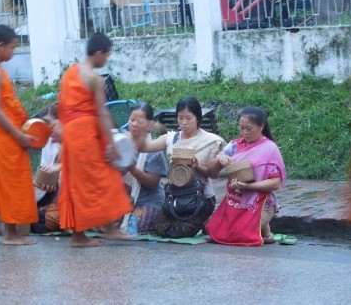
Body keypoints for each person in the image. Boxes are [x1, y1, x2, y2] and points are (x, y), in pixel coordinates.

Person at [58, 32, 133, 247]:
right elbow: (101, 112)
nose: (106, 60)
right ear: (99, 53)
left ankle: (84, 234)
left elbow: (63, 106)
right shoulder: (94, 79)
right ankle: (106, 230)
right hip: (86, 135)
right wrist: (111, 144)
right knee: (105, 177)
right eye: (106, 56)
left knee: (79, 183)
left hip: (71, 134)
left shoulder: (70, 72)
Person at [0, 24, 38, 245]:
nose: (14, 52)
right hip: (3, 132)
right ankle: (10, 234)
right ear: (0, 46)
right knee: (12, 178)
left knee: (5, 178)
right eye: (12, 47)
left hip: (2, 131)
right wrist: (18, 135)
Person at [137, 97, 224, 238]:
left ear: (197, 118)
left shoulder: (211, 141)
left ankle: (206, 220)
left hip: (199, 197)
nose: (184, 122)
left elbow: (213, 174)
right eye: (180, 117)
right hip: (176, 195)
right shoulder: (172, 138)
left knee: (179, 232)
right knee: (160, 228)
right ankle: (197, 220)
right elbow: (144, 147)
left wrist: (197, 166)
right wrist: (142, 128)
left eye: (188, 118)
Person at [205, 106, 286, 246]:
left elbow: (275, 183)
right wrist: (220, 157)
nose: (244, 132)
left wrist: (248, 186)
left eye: (249, 129)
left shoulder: (269, 148)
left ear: (261, 126)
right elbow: (211, 173)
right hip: (235, 199)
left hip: (261, 201)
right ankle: (263, 232)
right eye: (241, 128)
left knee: (240, 233)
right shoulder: (234, 145)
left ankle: (262, 227)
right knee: (214, 230)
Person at [121, 102, 168, 234]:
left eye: (139, 121)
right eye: (132, 120)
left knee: (135, 226)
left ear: (149, 125)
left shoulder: (153, 149)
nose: (134, 124)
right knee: (103, 222)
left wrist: (133, 169)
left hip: (148, 201)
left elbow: (152, 184)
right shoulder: (120, 142)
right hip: (122, 198)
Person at [31, 102, 62, 234]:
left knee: (38, 222)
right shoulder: (48, 141)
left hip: (76, 199)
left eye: (51, 123)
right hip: (56, 194)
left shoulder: (76, 142)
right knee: (29, 216)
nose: (48, 129)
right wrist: (47, 184)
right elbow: (47, 174)